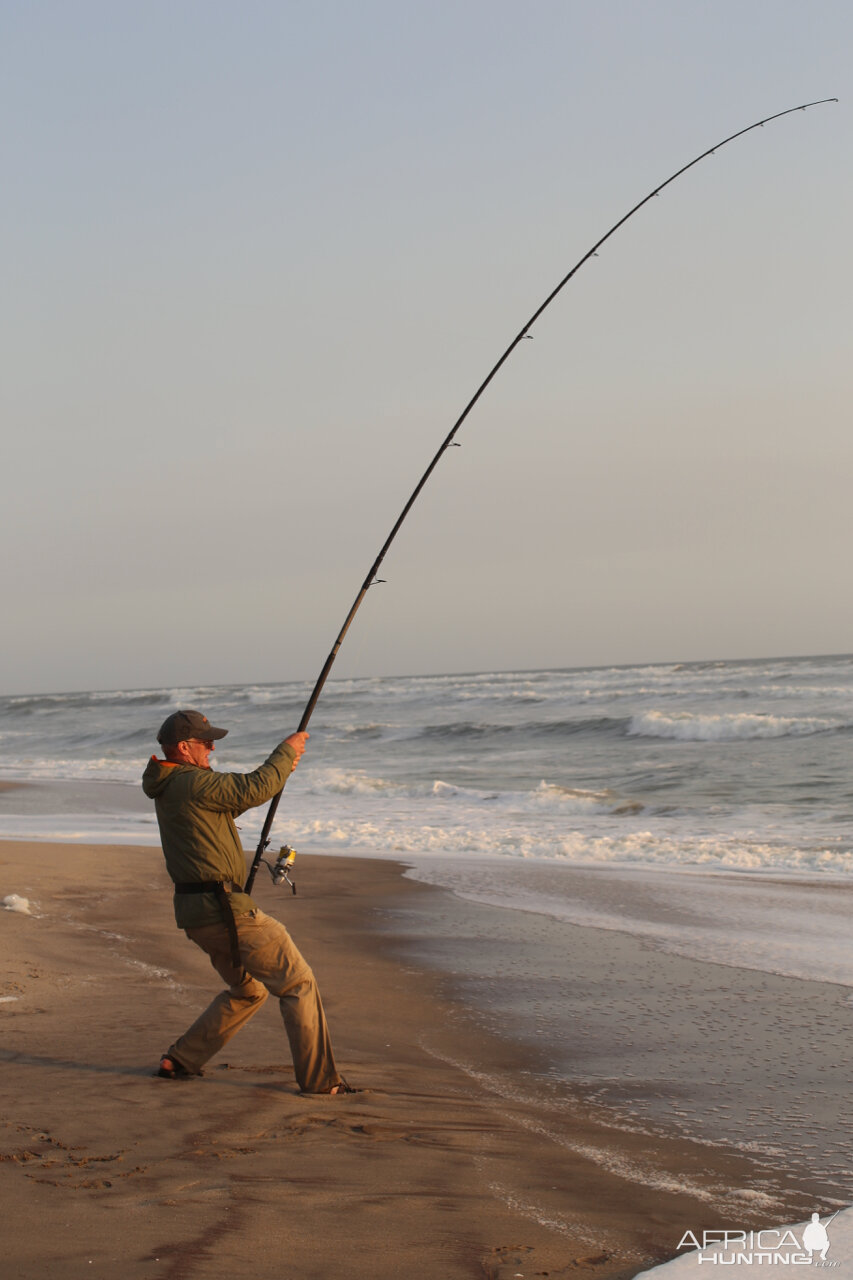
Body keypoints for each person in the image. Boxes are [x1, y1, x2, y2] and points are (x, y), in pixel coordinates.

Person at [142, 708, 351, 1093]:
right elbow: (252, 788)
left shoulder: (173, 786)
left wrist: (280, 770)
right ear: (185, 748)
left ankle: (181, 1058)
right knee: (298, 983)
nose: (211, 749)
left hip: (198, 916)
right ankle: (321, 1082)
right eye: (206, 743)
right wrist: (285, 752)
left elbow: (231, 802)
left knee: (249, 991)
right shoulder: (189, 782)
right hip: (225, 913)